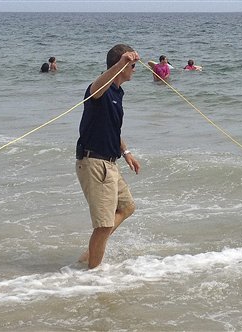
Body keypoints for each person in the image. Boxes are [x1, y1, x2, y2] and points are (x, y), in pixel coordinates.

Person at [75, 44, 141, 269]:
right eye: (131, 65)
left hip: (110, 163)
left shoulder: (118, 93)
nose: (134, 69)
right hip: (94, 161)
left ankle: (92, 251)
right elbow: (97, 87)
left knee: (127, 207)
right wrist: (121, 62)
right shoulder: (99, 89)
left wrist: (126, 152)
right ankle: (92, 276)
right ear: (121, 65)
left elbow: (112, 128)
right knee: (103, 226)